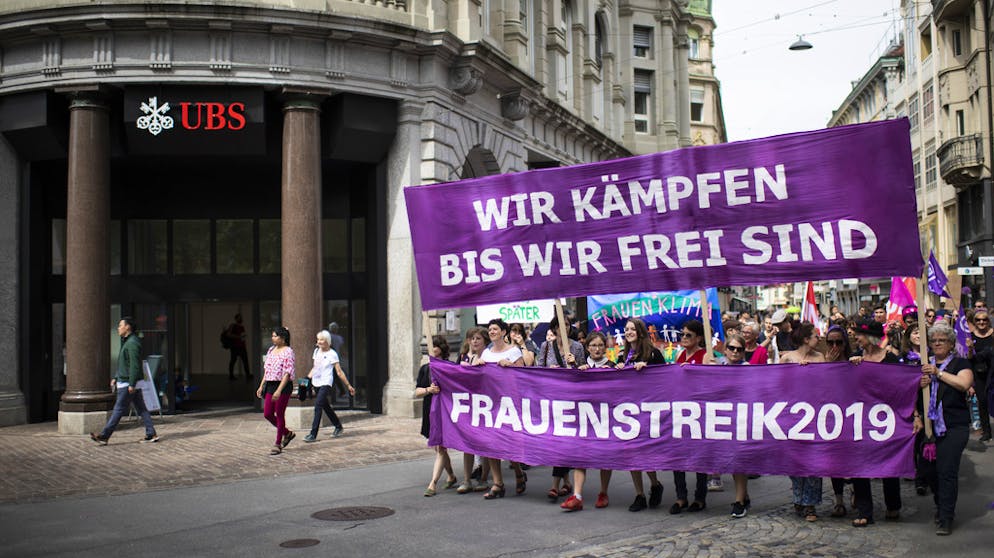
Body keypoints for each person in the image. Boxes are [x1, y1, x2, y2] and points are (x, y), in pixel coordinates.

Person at [918, 322, 974, 535]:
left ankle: (946, 517)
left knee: (946, 471)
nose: (937, 343)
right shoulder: (924, 364)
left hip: (954, 426)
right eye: (934, 341)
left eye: (942, 340)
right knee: (930, 473)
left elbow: (963, 384)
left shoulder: (960, 363)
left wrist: (938, 374)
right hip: (929, 427)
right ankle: (940, 504)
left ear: (951, 344)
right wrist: (919, 383)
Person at [848, 319, 902, 526]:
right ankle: (864, 511)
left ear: (870, 337)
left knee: (888, 462)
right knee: (859, 463)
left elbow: (901, 386)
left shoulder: (890, 359)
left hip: (886, 417)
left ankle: (893, 505)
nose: (856, 338)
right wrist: (852, 367)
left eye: (859, 335)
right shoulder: (856, 359)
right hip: (861, 418)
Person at [560, 331, 616, 511]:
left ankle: (604, 492)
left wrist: (614, 373)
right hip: (584, 417)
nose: (597, 349)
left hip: (604, 418)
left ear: (605, 347)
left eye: (600, 345)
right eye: (593, 345)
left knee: (604, 456)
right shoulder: (581, 366)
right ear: (587, 348)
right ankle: (577, 495)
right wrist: (575, 370)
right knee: (580, 455)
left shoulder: (613, 366)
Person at [615, 318, 666, 512]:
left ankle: (655, 483)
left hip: (647, 409)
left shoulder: (653, 353)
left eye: (632, 329)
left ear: (640, 332)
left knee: (645, 452)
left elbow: (665, 377)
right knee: (631, 453)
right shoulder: (623, 355)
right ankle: (639, 494)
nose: (628, 332)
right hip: (628, 410)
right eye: (626, 329)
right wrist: (618, 369)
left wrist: (647, 370)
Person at [472, 319, 526, 500]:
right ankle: (498, 483)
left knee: (509, 442)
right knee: (491, 443)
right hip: (490, 403)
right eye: (490, 329)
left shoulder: (513, 351)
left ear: (503, 332)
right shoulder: (486, 353)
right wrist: (477, 366)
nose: (492, 332)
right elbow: (480, 377)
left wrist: (510, 366)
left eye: (495, 329)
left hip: (509, 403)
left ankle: (518, 471)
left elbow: (524, 375)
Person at [779, 322, 826, 522]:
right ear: (806, 339)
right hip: (793, 415)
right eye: (815, 335)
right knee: (795, 459)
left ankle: (810, 504)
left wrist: (812, 372)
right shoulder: (787, 358)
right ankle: (798, 497)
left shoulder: (820, 358)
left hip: (815, 414)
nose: (819, 338)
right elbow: (778, 384)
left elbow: (826, 384)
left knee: (814, 459)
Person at [90, 317, 159, 445]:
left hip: (128, 383)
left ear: (127, 327)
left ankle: (104, 436)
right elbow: (125, 364)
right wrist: (116, 378)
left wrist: (132, 383)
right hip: (128, 381)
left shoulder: (132, 343)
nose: (118, 328)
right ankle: (151, 433)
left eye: (120, 325)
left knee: (118, 409)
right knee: (141, 408)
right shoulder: (128, 341)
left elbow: (134, 365)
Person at [669, 319, 710, 514]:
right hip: (680, 410)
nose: (684, 338)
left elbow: (710, 381)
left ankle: (700, 497)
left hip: (699, 411)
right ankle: (681, 496)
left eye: (688, 335)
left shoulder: (705, 356)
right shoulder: (680, 355)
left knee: (700, 455)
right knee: (678, 454)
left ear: (698, 338)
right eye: (682, 334)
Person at [715, 333, 752, 518]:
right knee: (730, 460)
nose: (735, 352)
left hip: (740, 417)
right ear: (725, 349)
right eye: (732, 348)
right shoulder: (717, 365)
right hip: (722, 417)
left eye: (739, 349)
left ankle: (739, 501)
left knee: (739, 460)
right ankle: (743, 495)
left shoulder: (747, 368)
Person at [416, 335, 458, 497]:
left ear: (441, 348)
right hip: (430, 409)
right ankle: (451, 475)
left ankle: (432, 483)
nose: (431, 348)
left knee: (440, 447)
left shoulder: (449, 367)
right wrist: (429, 390)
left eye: (434, 345)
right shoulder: (425, 369)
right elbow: (417, 391)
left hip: (445, 409)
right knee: (438, 447)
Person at [823, 325, 853, 518]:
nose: (834, 347)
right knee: (834, 461)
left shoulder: (853, 362)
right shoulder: (823, 363)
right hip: (831, 417)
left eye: (838, 342)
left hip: (851, 416)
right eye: (830, 343)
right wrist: (827, 366)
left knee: (852, 457)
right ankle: (839, 499)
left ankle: (855, 489)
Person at [304, 330, 355, 442]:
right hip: (316, 382)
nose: (319, 342)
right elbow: (315, 368)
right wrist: (306, 380)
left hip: (326, 382)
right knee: (325, 406)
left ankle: (313, 434)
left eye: (321, 340)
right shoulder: (316, 351)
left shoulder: (332, 354)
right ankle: (338, 426)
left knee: (318, 405)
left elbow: (339, 372)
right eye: (318, 339)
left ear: (327, 341)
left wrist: (348, 385)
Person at [457, 327, 490, 494]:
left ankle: (483, 478)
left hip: (486, 405)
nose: (474, 341)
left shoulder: (488, 357)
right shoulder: (465, 357)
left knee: (485, 443)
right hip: (469, 404)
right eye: (472, 338)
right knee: (467, 443)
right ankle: (466, 479)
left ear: (485, 340)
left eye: (478, 338)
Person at [256, 326, 296, 455]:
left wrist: (279, 390)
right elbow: (267, 370)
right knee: (267, 413)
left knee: (279, 414)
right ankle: (287, 433)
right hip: (270, 384)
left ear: (283, 338)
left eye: (275, 336)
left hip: (283, 386)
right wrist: (261, 385)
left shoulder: (288, 351)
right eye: (272, 336)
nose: (272, 338)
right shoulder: (271, 350)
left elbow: (287, 373)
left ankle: (278, 443)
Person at [967, 308, 992, 442]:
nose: (981, 322)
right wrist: (970, 349)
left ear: (988, 321)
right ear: (974, 321)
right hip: (978, 373)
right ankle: (986, 431)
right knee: (982, 402)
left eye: (984, 319)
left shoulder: (993, 334)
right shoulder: (971, 337)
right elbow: (969, 359)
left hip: (992, 372)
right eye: (978, 320)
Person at [225, 313, 252, 381]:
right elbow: (228, 334)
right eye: (239, 318)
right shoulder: (233, 326)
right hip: (235, 347)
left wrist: (243, 337)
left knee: (245, 361)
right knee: (233, 361)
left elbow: (242, 336)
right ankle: (231, 375)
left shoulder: (242, 327)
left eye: (241, 318)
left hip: (242, 346)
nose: (241, 319)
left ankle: (248, 375)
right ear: (236, 319)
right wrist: (238, 337)